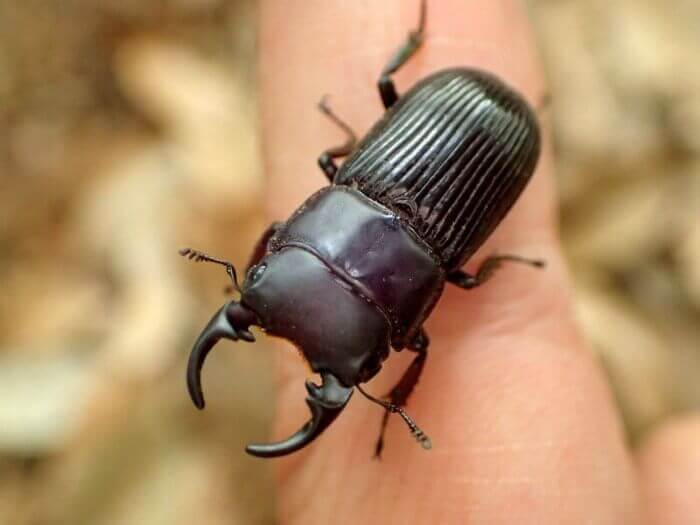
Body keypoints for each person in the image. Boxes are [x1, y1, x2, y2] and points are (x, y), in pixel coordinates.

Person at [257, 1, 700, 523]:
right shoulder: (358, 191)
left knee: (377, 96)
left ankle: (417, 38)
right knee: (382, 88)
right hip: (481, 136)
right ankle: (416, 41)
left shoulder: (356, 192)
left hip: (483, 129)